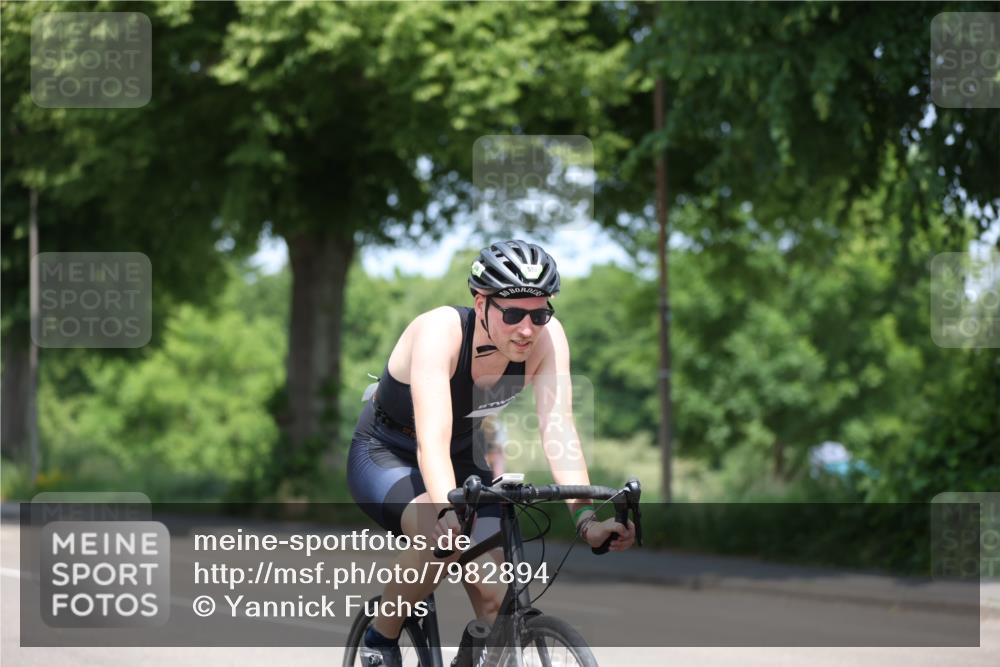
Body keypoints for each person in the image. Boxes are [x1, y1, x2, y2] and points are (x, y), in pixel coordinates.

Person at [347, 240, 636, 667]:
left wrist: (586, 519)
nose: (527, 328)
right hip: (389, 452)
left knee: (494, 599)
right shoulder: (439, 332)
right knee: (437, 531)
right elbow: (432, 439)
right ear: (480, 302)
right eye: (514, 314)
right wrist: (448, 513)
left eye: (540, 314)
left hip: (462, 458)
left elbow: (559, 428)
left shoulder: (547, 340)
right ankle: (380, 639)